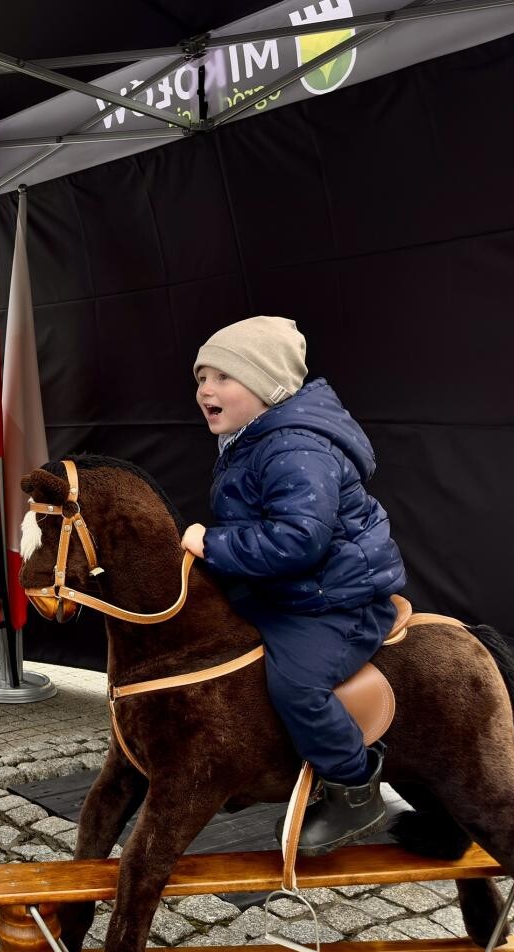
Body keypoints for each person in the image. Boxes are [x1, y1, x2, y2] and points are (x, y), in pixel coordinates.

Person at [180, 315, 406, 857]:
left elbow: (299, 540)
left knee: (297, 685)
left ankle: (354, 789)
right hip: (288, 592)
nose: (206, 389)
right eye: (201, 377)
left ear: (270, 386)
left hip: (335, 601)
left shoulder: (295, 447)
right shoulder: (252, 440)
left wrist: (212, 544)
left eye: (224, 377)